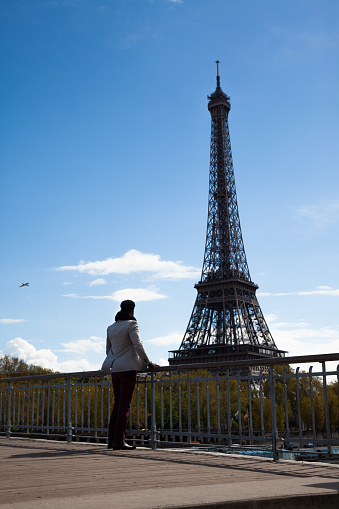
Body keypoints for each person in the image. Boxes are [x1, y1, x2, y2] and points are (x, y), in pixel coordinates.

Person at [106, 299, 158, 450]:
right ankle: (119, 441)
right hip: (128, 369)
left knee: (117, 405)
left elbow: (108, 350)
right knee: (124, 407)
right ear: (132, 311)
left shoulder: (110, 328)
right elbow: (138, 345)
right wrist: (148, 363)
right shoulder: (132, 324)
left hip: (115, 369)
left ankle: (111, 440)